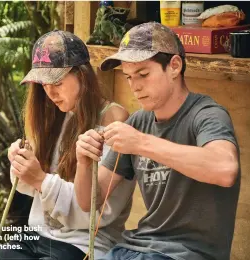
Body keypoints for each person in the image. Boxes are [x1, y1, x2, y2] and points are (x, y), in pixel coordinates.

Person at [75, 22, 240, 260]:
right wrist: (83, 161)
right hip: (135, 248)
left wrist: (141, 143)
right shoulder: (138, 122)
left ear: (174, 66)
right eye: (128, 77)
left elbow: (225, 170)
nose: (135, 87)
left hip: (187, 254)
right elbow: (89, 202)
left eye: (143, 74)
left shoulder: (207, 115)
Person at [0, 30, 136, 259]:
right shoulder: (57, 114)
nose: (50, 93)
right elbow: (30, 188)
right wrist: (20, 163)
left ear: (82, 75)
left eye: (57, 82)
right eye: (43, 84)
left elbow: (95, 212)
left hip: (84, 244)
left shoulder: (113, 121)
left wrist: (40, 179)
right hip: (38, 236)